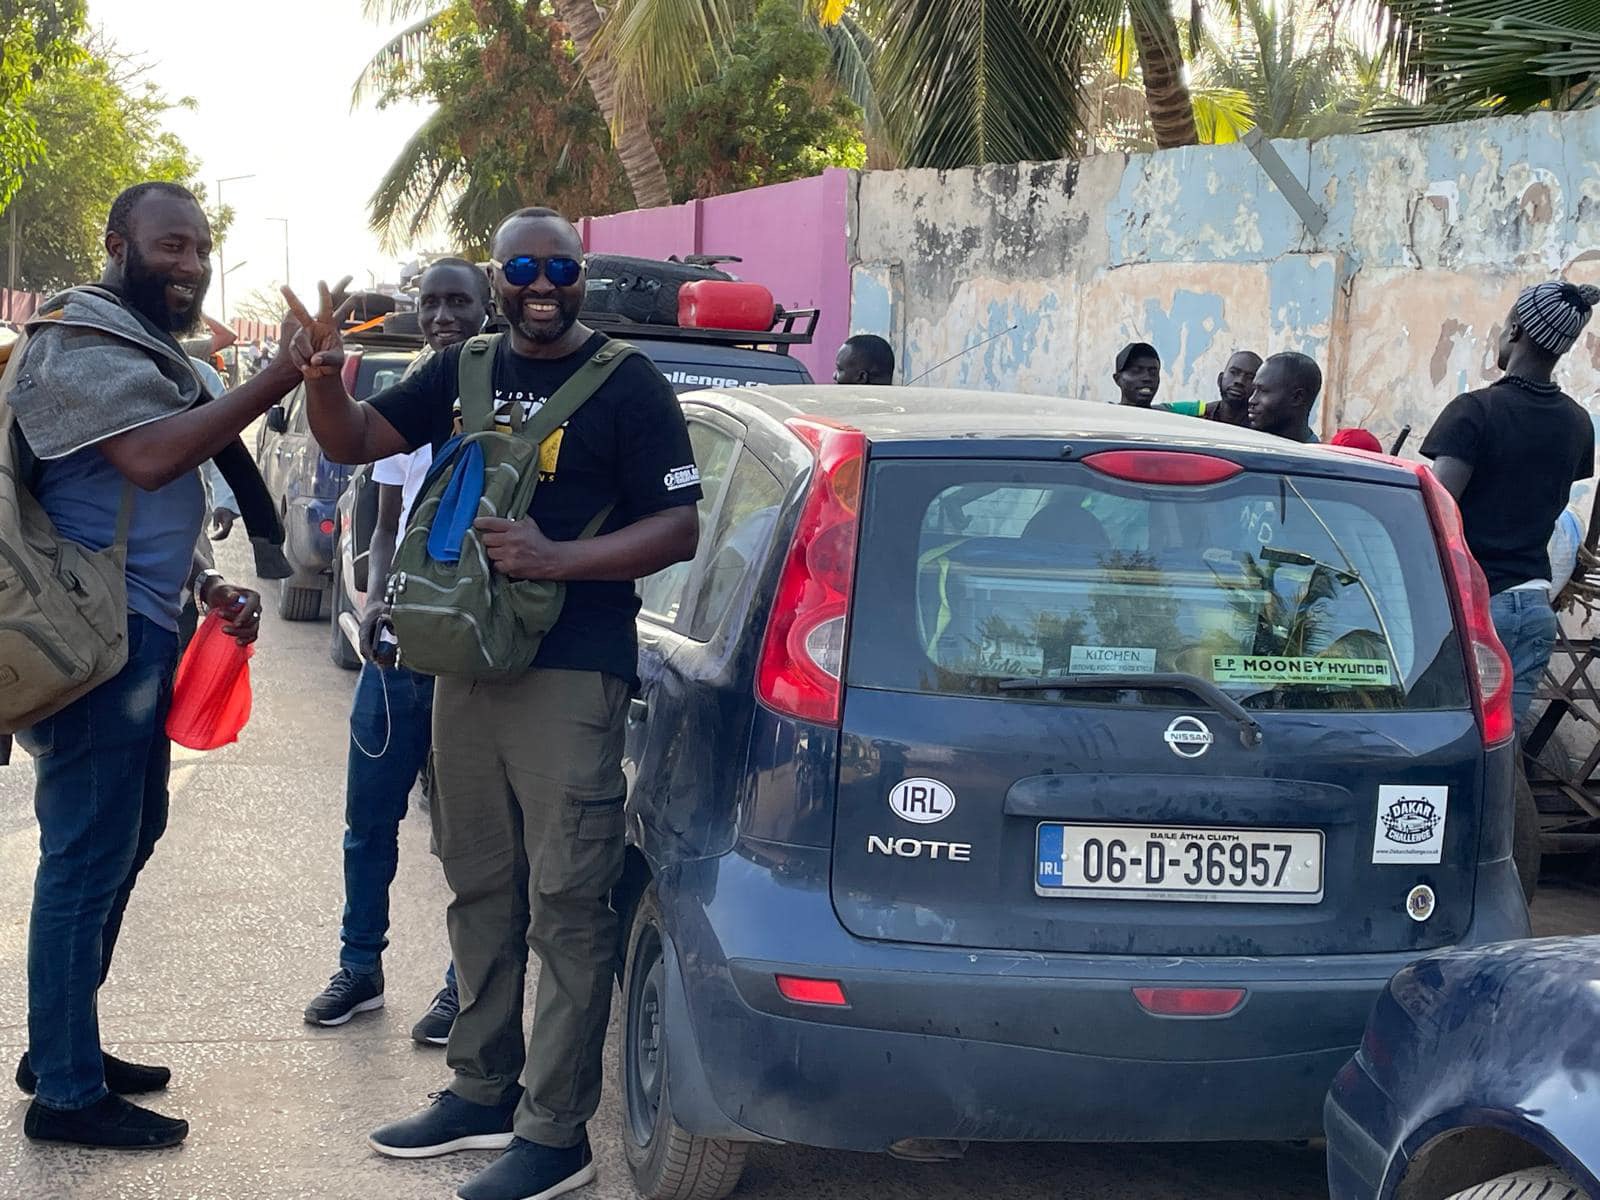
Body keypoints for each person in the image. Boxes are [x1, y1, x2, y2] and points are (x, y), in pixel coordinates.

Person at [286, 206, 700, 1200]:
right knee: (478, 884)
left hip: (570, 669)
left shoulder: (628, 385)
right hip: (462, 663)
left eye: (561, 266)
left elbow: (679, 526)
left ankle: (557, 1134)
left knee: (565, 902)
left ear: (582, 277)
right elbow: (355, 439)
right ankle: (480, 1090)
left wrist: (561, 558)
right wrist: (317, 376)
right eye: (522, 265)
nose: (542, 282)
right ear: (499, 276)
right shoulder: (467, 368)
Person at [7, 181, 308, 1150]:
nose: (188, 263)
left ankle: (67, 1042)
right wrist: (281, 377)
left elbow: (145, 496)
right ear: (116, 246)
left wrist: (203, 580)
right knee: (86, 856)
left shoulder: (140, 347)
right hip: (92, 644)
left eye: (199, 247)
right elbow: (145, 461)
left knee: (128, 835)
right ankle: (63, 1089)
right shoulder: (79, 340)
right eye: (169, 245)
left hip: (142, 624)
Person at [301, 257, 492, 1046]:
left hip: (471, 652)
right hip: (397, 645)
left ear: (490, 309)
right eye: (433, 302)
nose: (444, 314)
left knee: (465, 834)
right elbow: (383, 525)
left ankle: (461, 986)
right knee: (367, 817)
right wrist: (374, 600)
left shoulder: (502, 402)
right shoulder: (406, 403)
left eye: (461, 302)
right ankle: (360, 969)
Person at [1423, 280, 1599, 726]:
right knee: (1502, 754)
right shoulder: (1578, 424)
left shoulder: (1474, 412)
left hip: (1478, 607)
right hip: (1536, 609)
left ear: (1515, 330)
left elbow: (1437, 514)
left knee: (1450, 745)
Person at [1157, 349, 1261, 423]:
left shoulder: (1260, 427)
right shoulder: (1197, 413)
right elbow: (1150, 412)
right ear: (1220, 379)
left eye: (1250, 377)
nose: (1239, 381)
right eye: (1234, 372)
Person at [1248, 352, 1322, 442]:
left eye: (1263, 391)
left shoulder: (1312, 456)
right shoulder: (1246, 447)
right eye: (1254, 390)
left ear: (1297, 397)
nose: (1251, 400)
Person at [1113, 341, 1161, 407]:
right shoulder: (1105, 414)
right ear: (1117, 379)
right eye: (1136, 371)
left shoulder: (1167, 416)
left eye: (1153, 373)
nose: (1147, 378)